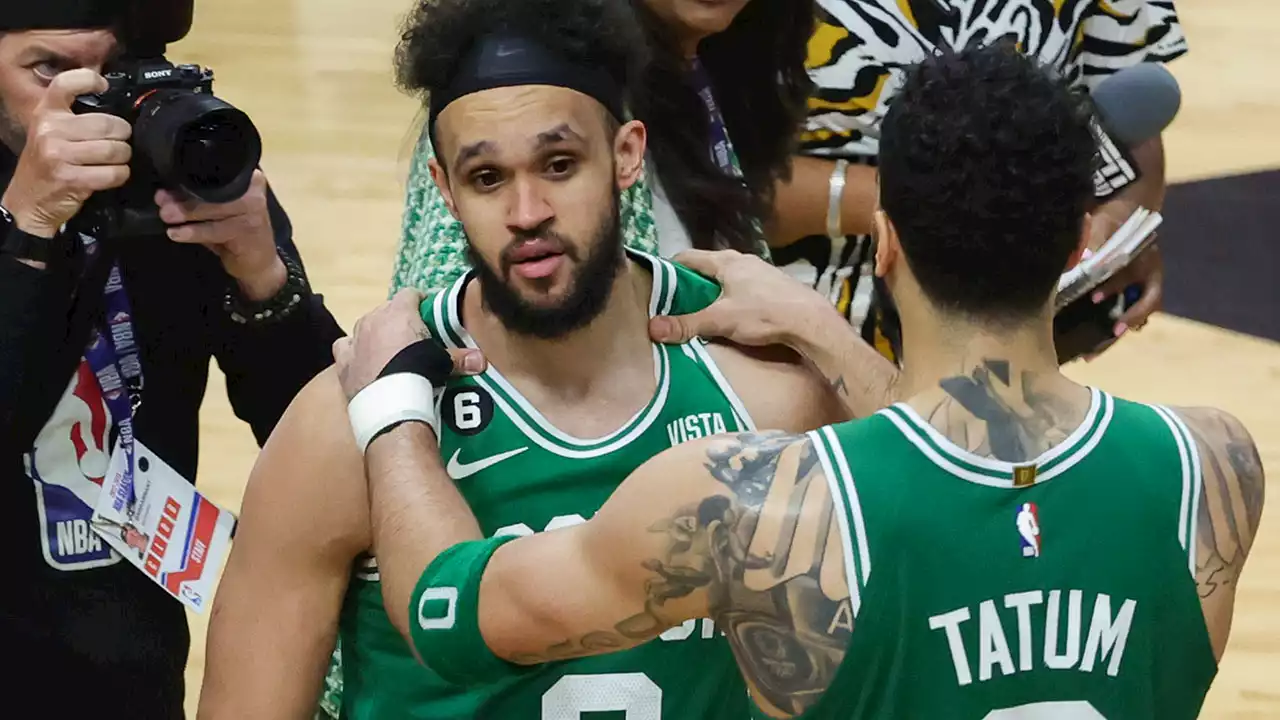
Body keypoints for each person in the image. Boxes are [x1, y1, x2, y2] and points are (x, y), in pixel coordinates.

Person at [339, 45, 1264, 719]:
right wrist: (822, 334)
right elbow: (977, 474)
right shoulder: (1213, 464)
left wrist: (392, 406)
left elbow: (449, 613)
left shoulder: (762, 503)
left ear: (887, 239)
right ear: (1074, 249)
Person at [197, 1, 888, 718]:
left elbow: (973, 529)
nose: (527, 211)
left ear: (626, 155)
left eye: (559, 165)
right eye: (488, 178)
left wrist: (826, 334)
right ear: (446, 191)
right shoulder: (342, 427)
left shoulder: (768, 393)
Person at [0, 3, 343, 715]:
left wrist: (263, 277)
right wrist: (27, 231)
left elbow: (312, 440)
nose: (87, 107)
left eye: (109, 70)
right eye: (49, 71)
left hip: (132, 661)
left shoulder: (176, 164)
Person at [773, 0, 1189, 361]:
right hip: (791, 333)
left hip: (1010, 347)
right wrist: (958, 202)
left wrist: (1118, 228)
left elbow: (1133, 113)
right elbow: (719, 181)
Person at [389, 0, 815, 295]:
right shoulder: (515, 83)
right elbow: (447, 325)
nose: (526, 210)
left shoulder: (707, 65)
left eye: (558, 166)